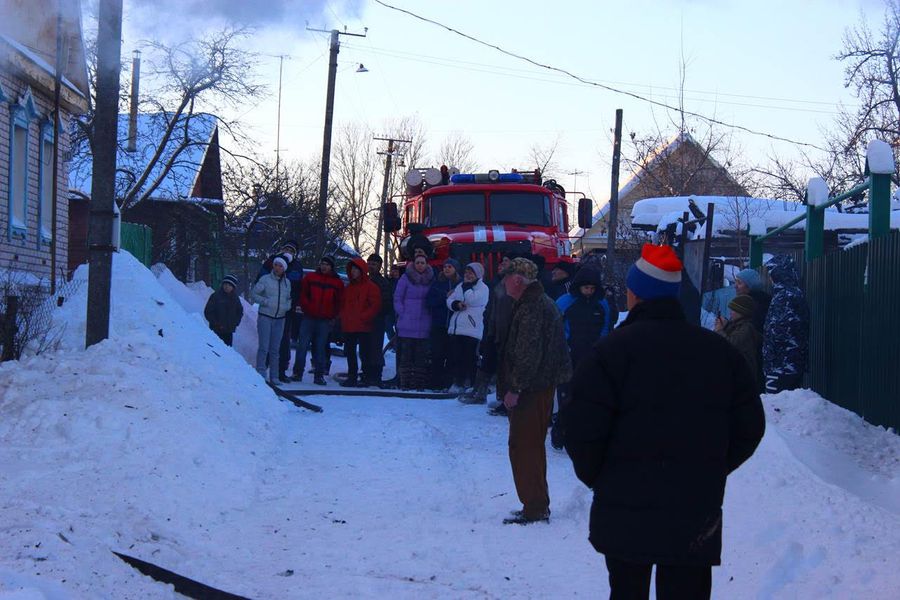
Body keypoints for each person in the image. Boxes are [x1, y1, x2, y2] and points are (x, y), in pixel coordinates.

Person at [563, 243, 765, 600]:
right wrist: (711, 468)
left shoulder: (609, 353)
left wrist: (601, 476)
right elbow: (749, 426)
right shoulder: (719, 353)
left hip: (623, 504)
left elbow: (580, 428)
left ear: (635, 294)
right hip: (694, 508)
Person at [499, 257, 572, 525]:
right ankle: (536, 503)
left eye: (506, 277)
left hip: (532, 388)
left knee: (524, 446)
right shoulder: (535, 303)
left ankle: (535, 507)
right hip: (539, 385)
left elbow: (527, 355)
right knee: (530, 445)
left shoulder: (532, 307)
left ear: (517, 280)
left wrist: (514, 388)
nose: (503, 282)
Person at [550, 267, 616, 450]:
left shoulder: (601, 304)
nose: (589, 291)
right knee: (566, 395)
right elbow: (555, 326)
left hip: (591, 356)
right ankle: (560, 429)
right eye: (586, 287)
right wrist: (562, 346)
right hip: (568, 354)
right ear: (579, 286)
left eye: (592, 288)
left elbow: (605, 327)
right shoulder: (565, 302)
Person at [256, 241, 304, 382]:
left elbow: (297, 289)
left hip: (285, 312)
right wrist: (266, 301)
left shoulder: (296, 267)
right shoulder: (270, 262)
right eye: (286, 248)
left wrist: (289, 305)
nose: (287, 251)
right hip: (268, 310)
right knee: (265, 343)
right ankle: (262, 370)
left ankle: (280, 372)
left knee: (282, 342)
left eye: (291, 250)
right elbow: (259, 283)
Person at [293, 256, 343, 386]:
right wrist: (307, 307)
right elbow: (303, 295)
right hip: (309, 317)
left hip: (325, 320)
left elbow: (339, 302)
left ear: (331, 266)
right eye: (322, 264)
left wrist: (333, 315)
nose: (324, 266)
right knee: (302, 345)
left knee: (320, 347)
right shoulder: (310, 278)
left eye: (327, 264)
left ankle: (319, 374)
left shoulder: (337, 283)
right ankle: (297, 372)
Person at [763, 255, 809, 393]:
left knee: (775, 406)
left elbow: (777, 331)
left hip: (780, 364)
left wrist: (770, 359)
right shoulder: (793, 294)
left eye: (771, 273)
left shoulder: (784, 296)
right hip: (790, 362)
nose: (769, 278)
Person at [446, 262, 490, 392]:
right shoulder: (461, 286)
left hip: (472, 329)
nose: (468, 275)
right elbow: (449, 299)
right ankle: (458, 383)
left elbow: (473, 300)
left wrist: (467, 288)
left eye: (471, 273)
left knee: (470, 358)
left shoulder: (483, 288)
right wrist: (456, 304)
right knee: (457, 358)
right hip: (457, 328)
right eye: (466, 272)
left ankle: (472, 384)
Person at [393, 254, 435, 390]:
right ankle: (404, 382)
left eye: (423, 263)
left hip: (424, 322)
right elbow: (398, 297)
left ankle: (418, 383)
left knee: (420, 357)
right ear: (414, 264)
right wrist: (402, 312)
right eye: (418, 262)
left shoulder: (431, 279)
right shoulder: (405, 278)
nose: (420, 265)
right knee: (406, 356)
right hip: (407, 323)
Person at [339, 257, 382, 387]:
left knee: (365, 353)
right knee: (350, 352)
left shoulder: (371, 287)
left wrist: (363, 317)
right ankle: (352, 376)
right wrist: (344, 317)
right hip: (350, 324)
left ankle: (366, 376)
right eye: (351, 270)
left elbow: (374, 305)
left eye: (355, 270)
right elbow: (343, 305)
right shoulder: (349, 288)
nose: (353, 272)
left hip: (363, 325)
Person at [250, 255, 293, 383]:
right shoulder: (265, 279)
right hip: (265, 317)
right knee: (264, 347)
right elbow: (254, 294)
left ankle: (274, 376)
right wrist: (266, 302)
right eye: (276, 265)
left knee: (275, 349)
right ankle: (261, 372)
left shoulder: (287, 282)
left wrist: (286, 306)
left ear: (284, 268)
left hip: (280, 318)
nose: (278, 268)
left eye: (280, 266)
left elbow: (288, 298)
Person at [716, 294, 764, 393]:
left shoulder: (747, 328)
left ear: (741, 312)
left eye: (733, 310)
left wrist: (720, 331)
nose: (730, 313)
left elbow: (731, 344)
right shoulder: (735, 325)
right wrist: (724, 327)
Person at [426, 258, 462, 390]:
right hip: (439, 324)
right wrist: (445, 298)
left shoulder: (461, 284)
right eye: (445, 266)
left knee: (452, 355)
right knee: (437, 355)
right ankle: (435, 382)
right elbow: (429, 301)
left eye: (450, 267)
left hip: (455, 326)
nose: (446, 269)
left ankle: (449, 382)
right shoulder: (437, 284)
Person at [365, 254, 393, 386]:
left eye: (374, 264)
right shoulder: (363, 279)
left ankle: (376, 375)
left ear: (379, 266)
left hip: (377, 319)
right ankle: (366, 373)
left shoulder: (383, 282)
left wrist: (376, 312)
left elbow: (386, 303)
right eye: (369, 263)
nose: (371, 266)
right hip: (364, 319)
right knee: (365, 348)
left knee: (376, 348)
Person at [203, 274, 243, 347]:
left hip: (228, 331)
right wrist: (216, 323)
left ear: (233, 287)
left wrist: (235, 322)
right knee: (217, 350)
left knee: (228, 350)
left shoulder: (235, 298)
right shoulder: (215, 296)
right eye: (225, 284)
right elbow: (208, 312)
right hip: (216, 331)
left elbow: (239, 311)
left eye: (229, 285)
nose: (227, 286)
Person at [734, 268, 772, 334]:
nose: (735, 286)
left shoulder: (757, 304)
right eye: (736, 282)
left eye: (739, 283)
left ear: (750, 286)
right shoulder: (748, 300)